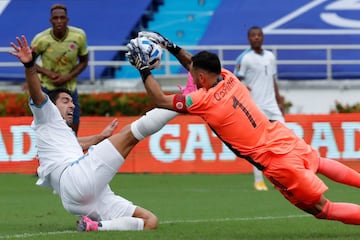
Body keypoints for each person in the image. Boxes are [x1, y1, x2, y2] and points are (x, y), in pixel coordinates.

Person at [127, 31, 360, 225]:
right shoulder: (229, 77)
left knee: (321, 208)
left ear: (201, 77)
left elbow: (160, 99)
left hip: (275, 161)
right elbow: (194, 64)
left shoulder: (202, 101)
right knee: (318, 162)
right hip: (282, 137)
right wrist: (169, 45)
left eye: (195, 78)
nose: (194, 82)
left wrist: (143, 68)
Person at [9, 35, 193, 232]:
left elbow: (76, 145)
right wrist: (29, 65)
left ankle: (95, 226)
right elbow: (37, 95)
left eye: (72, 101)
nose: (71, 105)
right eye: (65, 101)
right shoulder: (47, 115)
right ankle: (182, 102)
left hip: (79, 200)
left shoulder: (59, 135)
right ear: (53, 105)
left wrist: (100, 137)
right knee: (131, 135)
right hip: (75, 178)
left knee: (150, 221)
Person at [233, 26, 285, 191]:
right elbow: (237, 84)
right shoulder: (244, 58)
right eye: (253, 35)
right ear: (248, 38)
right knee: (259, 145)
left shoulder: (270, 56)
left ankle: (281, 178)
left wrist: (279, 100)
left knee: (284, 139)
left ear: (263, 37)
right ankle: (259, 180)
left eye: (259, 35)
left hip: (272, 106)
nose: (256, 38)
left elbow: (273, 79)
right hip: (255, 106)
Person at [30, 3, 88, 135]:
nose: (59, 21)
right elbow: (30, 62)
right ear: (51, 20)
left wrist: (68, 76)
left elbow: (84, 62)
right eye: (56, 18)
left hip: (70, 88)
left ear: (67, 19)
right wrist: (48, 73)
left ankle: (72, 153)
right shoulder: (41, 39)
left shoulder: (79, 36)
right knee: (46, 127)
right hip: (48, 89)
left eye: (62, 18)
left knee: (73, 128)